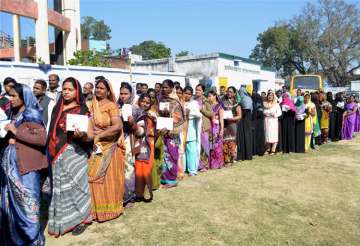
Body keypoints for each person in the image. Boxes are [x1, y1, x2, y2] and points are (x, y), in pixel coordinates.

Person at [0, 84, 47, 245]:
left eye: (14, 96)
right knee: (13, 206)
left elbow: (41, 139)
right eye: (10, 96)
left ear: (24, 96)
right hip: (13, 170)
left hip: (26, 170)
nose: (10, 99)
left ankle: (31, 240)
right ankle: (16, 239)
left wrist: (16, 131)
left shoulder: (31, 113)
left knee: (28, 206)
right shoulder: (15, 113)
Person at [47, 77, 93, 237]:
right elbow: (51, 131)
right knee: (61, 189)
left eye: (70, 89)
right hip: (57, 155)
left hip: (75, 154)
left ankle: (83, 219)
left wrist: (82, 136)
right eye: (64, 89)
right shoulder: (57, 107)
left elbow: (90, 135)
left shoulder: (82, 110)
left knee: (78, 188)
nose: (66, 92)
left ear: (77, 91)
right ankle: (64, 220)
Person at [87, 78, 125, 222]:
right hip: (94, 145)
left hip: (109, 146)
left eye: (102, 88)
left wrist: (100, 136)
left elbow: (117, 126)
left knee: (107, 180)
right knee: (93, 178)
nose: (98, 90)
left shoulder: (111, 106)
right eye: (97, 87)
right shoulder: (91, 105)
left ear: (108, 91)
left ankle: (110, 210)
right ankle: (94, 211)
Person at [156, 79, 185, 188]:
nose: (164, 89)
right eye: (163, 87)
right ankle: (164, 178)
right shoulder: (161, 100)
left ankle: (172, 180)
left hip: (172, 133)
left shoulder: (175, 102)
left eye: (166, 87)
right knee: (163, 156)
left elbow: (178, 118)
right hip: (162, 132)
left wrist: (168, 126)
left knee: (172, 156)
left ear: (172, 88)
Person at [131, 93, 155, 201]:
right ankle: (138, 194)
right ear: (139, 101)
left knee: (147, 167)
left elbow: (155, 130)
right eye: (143, 101)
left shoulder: (151, 116)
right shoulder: (135, 113)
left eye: (147, 102)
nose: (145, 104)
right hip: (137, 143)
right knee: (138, 168)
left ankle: (147, 193)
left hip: (149, 144)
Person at [117, 82, 137, 205]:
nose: (123, 96)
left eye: (126, 93)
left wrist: (132, 122)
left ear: (131, 94)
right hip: (117, 139)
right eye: (122, 93)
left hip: (129, 139)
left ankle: (129, 195)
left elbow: (139, 129)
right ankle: (119, 193)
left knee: (129, 166)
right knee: (119, 166)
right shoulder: (115, 106)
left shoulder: (135, 108)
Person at [183, 86, 202, 175]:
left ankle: (192, 170)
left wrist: (189, 113)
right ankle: (183, 169)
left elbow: (198, 114)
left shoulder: (194, 103)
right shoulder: (180, 102)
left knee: (191, 150)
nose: (187, 95)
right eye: (186, 93)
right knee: (182, 150)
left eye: (189, 94)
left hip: (191, 128)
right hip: (181, 128)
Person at [194, 84, 213, 171]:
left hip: (204, 126)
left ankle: (204, 165)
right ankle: (198, 164)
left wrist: (202, 109)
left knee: (204, 146)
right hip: (195, 126)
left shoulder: (206, 101)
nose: (197, 91)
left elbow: (211, 114)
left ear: (203, 91)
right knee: (197, 145)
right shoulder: (193, 100)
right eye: (196, 90)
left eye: (199, 90)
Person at [222, 86, 241, 165]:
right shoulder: (223, 101)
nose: (229, 93)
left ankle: (232, 159)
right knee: (225, 141)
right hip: (224, 124)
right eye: (228, 91)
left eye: (231, 92)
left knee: (232, 141)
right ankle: (226, 160)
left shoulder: (236, 103)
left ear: (234, 93)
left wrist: (231, 118)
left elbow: (239, 116)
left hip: (232, 124)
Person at [207, 90, 224, 169]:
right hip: (209, 126)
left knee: (217, 145)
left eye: (210, 96)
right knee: (210, 145)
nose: (209, 98)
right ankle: (211, 163)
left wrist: (222, 129)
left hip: (216, 128)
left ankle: (218, 163)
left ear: (215, 96)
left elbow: (221, 118)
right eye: (208, 96)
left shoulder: (219, 106)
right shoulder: (208, 105)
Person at [237, 87, 253, 161]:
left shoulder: (243, 99)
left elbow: (245, 109)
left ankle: (244, 155)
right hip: (248, 120)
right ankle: (248, 155)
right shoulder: (249, 98)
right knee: (247, 136)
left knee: (244, 136)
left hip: (244, 120)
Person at [263, 90, 282, 155]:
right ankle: (268, 149)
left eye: (271, 95)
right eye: (269, 95)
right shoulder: (265, 103)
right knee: (267, 134)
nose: (270, 97)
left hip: (273, 121)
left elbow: (279, 113)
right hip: (266, 120)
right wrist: (266, 113)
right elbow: (263, 111)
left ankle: (273, 149)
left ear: (273, 96)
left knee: (273, 134)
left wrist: (274, 115)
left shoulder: (276, 104)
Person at [252, 91, 265, 156]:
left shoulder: (257, 103)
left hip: (256, 122)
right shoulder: (260, 102)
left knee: (257, 136)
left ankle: (256, 150)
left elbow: (260, 113)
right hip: (259, 122)